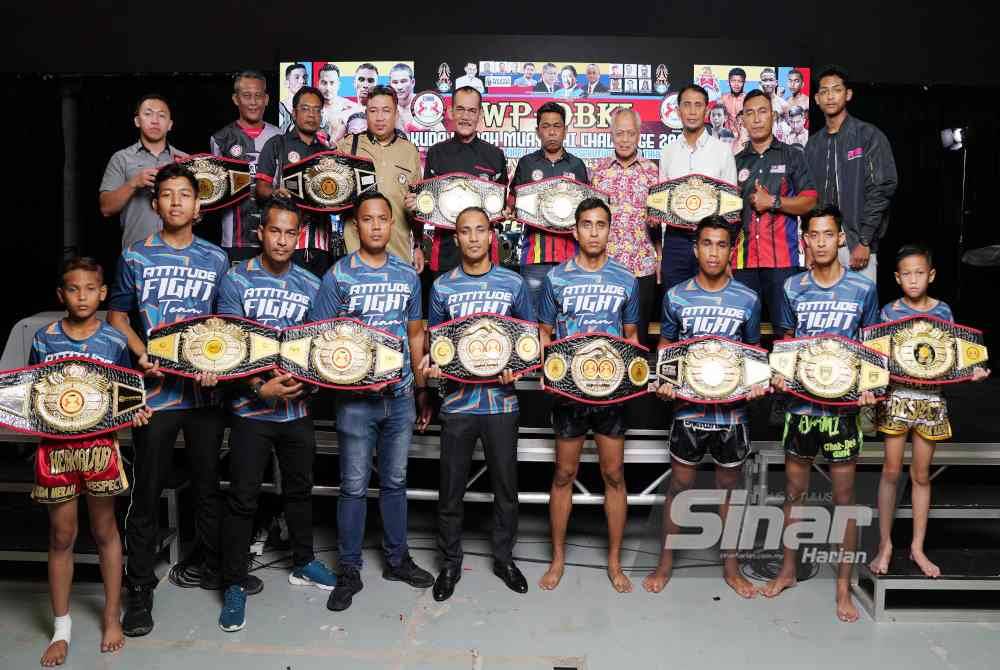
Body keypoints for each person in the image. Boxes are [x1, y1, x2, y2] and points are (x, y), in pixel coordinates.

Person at [107, 163, 242, 638]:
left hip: (204, 393)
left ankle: (211, 568)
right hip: (156, 395)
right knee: (146, 493)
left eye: (185, 194)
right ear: (156, 203)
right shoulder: (135, 255)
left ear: (199, 205)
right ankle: (140, 591)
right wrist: (141, 352)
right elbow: (117, 316)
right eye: (167, 194)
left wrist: (220, 364)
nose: (177, 202)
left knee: (207, 487)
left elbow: (227, 325)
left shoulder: (216, 258)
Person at [214, 196, 336, 633]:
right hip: (250, 409)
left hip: (295, 409)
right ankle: (233, 583)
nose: (282, 240)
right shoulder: (236, 280)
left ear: (298, 236)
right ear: (260, 233)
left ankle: (303, 561)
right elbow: (228, 346)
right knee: (243, 497)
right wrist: (257, 387)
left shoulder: (312, 284)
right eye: (275, 231)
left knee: (300, 491)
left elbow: (319, 346)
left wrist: (308, 383)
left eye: (290, 233)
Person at [310, 192, 434, 612]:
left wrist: (421, 389)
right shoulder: (338, 276)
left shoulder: (407, 275)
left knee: (396, 481)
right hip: (355, 402)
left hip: (399, 397)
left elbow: (415, 335)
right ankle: (349, 569)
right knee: (353, 485)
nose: (377, 226)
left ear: (391, 224)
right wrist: (348, 380)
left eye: (383, 219)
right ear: (356, 226)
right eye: (368, 219)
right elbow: (319, 339)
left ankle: (397, 560)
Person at [32, 258, 152, 666]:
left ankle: (111, 616)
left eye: (89, 289)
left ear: (102, 294)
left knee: (104, 531)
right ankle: (61, 628)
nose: (81, 297)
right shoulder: (45, 339)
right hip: (55, 448)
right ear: (60, 294)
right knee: (61, 535)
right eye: (72, 289)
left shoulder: (115, 341)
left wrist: (135, 411)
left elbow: (127, 395)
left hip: (100, 446)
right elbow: (32, 393)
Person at [763, 205, 880, 623]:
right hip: (801, 407)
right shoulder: (792, 287)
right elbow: (785, 343)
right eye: (814, 235)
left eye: (829, 234)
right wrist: (778, 374)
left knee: (844, 499)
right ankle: (788, 571)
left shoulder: (863, 288)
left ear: (841, 238)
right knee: (794, 494)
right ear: (805, 241)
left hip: (843, 410)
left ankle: (843, 588)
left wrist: (870, 387)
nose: (821, 242)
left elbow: (871, 346)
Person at [644, 217, 764, 597]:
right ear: (695, 249)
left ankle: (731, 567)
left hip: (732, 413)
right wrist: (664, 380)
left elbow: (753, 351)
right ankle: (665, 563)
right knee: (680, 486)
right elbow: (666, 345)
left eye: (721, 244)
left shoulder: (747, 298)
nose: (714, 252)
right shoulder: (676, 296)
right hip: (688, 410)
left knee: (729, 488)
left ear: (731, 250)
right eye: (707, 244)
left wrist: (756, 382)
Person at [422, 207, 534, 601]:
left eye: (480, 230)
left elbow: (529, 342)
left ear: (491, 236)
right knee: (451, 489)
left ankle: (504, 559)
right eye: (465, 231)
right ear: (456, 239)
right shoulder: (442, 287)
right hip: (458, 404)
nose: (473, 238)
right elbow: (435, 346)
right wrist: (432, 367)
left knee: (506, 489)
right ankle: (450, 563)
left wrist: (517, 369)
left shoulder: (514, 283)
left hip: (501, 403)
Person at [537, 198, 641, 594]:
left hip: (612, 393)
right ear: (575, 230)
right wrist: (548, 369)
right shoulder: (556, 278)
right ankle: (557, 559)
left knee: (613, 474)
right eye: (586, 224)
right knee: (564, 474)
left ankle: (614, 562)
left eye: (601, 224)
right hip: (569, 392)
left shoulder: (625, 279)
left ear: (609, 230)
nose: (594, 232)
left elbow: (631, 336)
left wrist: (632, 376)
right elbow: (544, 333)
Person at [869, 244, 989, 579]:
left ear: (931, 275)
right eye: (906, 274)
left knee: (921, 475)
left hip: (932, 401)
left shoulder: (943, 311)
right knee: (891, 471)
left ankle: (917, 548)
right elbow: (878, 357)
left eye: (919, 273)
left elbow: (954, 357)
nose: (913, 279)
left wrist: (973, 371)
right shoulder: (888, 312)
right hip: (896, 398)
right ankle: (885, 545)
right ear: (897, 278)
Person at [804, 66, 898, 284]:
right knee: (823, 305)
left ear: (848, 94)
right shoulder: (813, 146)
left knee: (860, 305)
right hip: (822, 247)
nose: (830, 96)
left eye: (836, 90)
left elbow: (881, 188)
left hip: (858, 246)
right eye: (824, 91)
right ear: (817, 99)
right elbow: (808, 198)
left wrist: (864, 240)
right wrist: (809, 246)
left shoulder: (868, 136)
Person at [733, 90, 818, 320]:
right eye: (750, 113)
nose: (756, 119)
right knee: (743, 332)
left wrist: (772, 201)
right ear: (743, 120)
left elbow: (810, 201)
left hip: (783, 262)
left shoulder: (793, 155)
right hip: (742, 263)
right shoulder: (735, 162)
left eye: (762, 111)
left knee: (786, 330)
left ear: (773, 115)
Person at [416, 86, 507, 275]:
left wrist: (507, 210)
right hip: (445, 250)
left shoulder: (495, 155)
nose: (466, 116)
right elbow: (426, 202)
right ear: (451, 112)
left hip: (484, 252)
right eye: (460, 109)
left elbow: (502, 207)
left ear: (480, 114)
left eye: (472, 111)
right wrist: (417, 203)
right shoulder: (436, 153)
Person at [591, 107, 660, 347]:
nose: (625, 139)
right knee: (605, 335)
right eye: (619, 133)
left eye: (630, 133)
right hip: (606, 267)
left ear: (639, 134)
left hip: (642, 267)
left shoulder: (652, 171)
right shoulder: (598, 172)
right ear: (611, 135)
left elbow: (659, 224)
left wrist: (659, 258)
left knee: (638, 338)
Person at [511, 102, 589, 310]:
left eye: (557, 126)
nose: (552, 132)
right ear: (538, 131)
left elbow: (586, 210)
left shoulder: (577, 165)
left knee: (570, 315)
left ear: (565, 130)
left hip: (571, 257)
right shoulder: (526, 163)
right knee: (533, 316)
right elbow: (512, 202)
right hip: (535, 257)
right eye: (546, 126)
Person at [658, 84, 737, 290]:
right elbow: (662, 201)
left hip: (711, 240)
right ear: (678, 111)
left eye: (698, 105)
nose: (692, 111)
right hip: (675, 240)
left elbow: (731, 208)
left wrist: (726, 252)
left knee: (710, 300)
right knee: (673, 299)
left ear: (707, 110)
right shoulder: (667, 152)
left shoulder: (722, 151)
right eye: (687, 105)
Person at [337, 85, 424, 270]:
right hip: (356, 253)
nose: (379, 117)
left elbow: (417, 205)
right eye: (373, 111)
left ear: (396, 114)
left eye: (386, 110)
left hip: (398, 253)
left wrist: (418, 245)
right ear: (366, 114)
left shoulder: (409, 151)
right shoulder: (348, 146)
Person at [256, 85, 334, 278]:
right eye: (305, 108)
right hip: (285, 242)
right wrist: (275, 192)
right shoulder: (277, 144)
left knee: (318, 293)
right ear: (294, 113)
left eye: (317, 110)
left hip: (321, 242)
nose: (312, 115)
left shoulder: (327, 153)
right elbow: (260, 189)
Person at [211, 70, 281, 262]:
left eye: (258, 96)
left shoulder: (280, 137)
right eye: (246, 96)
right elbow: (215, 191)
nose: (253, 102)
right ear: (236, 99)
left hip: (274, 235)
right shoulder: (220, 139)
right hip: (234, 238)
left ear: (266, 99)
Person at [99, 93, 186, 249]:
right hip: (137, 251)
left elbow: (198, 210)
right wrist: (134, 183)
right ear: (137, 121)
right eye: (148, 114)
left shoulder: (185, 160)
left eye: (161, 115)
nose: (155, 121)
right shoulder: (121, 158)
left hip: (179, 252)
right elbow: (106, 208)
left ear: (170, 124)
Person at [316, 63, 362, 144]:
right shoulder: (311, 109)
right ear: (318, 84)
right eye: (324, 83)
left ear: (338, 84)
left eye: (332, 83)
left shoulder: (352, 108)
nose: (328, 88)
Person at [279, 63, 307, 131]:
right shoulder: (280, 108)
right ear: (287, 83)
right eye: (297, 77)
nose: (302, 81)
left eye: (305, 77)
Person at [720, 67, 746, 136]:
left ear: (744, 83)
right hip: (726, 136)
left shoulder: (748, 99)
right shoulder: (723, 98)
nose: (736, 84)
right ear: (728, 82)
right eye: (733, 81)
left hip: (743, 136)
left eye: (739, 81)